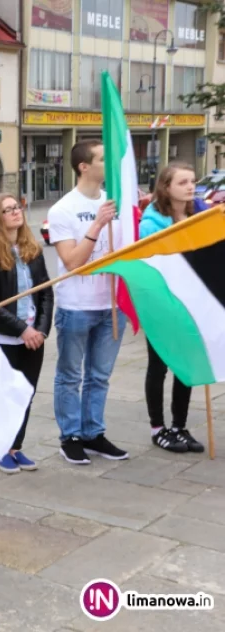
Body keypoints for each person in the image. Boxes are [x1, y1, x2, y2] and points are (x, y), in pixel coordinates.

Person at [47, 139, 128, 465]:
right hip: (77, 306)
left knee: (99, 375)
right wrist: (97, 224)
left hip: (111, 304)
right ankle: (71, 437)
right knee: (70, 376)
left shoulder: (115, 202)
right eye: (102, 159)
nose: (108, 165)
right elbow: (73, 262)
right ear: (84, 166)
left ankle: (94, 433)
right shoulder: (62, 209)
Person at [0, 193, 54, 473]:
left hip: (33, 338)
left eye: (16, 207)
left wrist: (41, 330)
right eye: (7, 210)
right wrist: (22, 330)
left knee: (26, 394)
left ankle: (15, 447)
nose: (15, 213)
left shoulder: (33, 250)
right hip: (4, 339)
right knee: (4, 396)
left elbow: (45, 293)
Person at [138, 162, 206, 453]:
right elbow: (152, 265)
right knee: (159, 366)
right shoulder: (151, 222)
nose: (191, 186)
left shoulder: (201, 214)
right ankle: (158, 428)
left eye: (192, 181)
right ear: (166, 188)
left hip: (192, 303)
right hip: (162, 305)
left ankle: (180, 425)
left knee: (186, 367)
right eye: (182, 182)